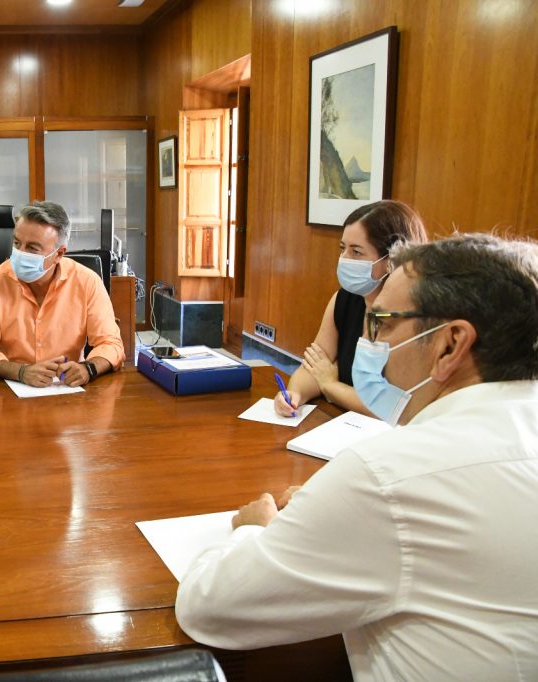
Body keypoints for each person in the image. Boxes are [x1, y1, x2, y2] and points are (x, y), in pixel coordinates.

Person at [176, 233, 538, 680]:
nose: (368, 342)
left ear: (449, 345)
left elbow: (209, 608)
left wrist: (254, 529)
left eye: (381, 323)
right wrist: (335, 508)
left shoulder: (390, 475)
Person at [274, 200, 427, 417]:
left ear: (391, 260)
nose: (344, 259)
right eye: (342, 248)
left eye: (356, 252)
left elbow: (390, 406)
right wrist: (294, 395)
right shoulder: (344, 299)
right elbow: (313, 366)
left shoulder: (412, 317)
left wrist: (330, 385)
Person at [0, 201, 124, 387]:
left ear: (59, 254)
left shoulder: (87, 282)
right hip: (10, 388)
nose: (20, 253)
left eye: (32, 248)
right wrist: (21, 372)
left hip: (66, 388)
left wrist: (88, 368)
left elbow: (111, 344)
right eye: (17, 243)